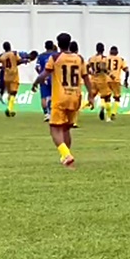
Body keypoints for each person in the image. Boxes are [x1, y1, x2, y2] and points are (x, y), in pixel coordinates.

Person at [32, 33, 95, 168]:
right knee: (66, 129)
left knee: (54, 128)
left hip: (60, 97)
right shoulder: (79, 59)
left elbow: (44, 73)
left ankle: (66, 154)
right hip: (75, 97)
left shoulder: (55, 57)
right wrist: (91, 95)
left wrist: (36, 82)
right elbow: (86, 78)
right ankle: (67, 157)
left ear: (58, 44)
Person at [0, 42, 36, 117]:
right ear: (10, 46)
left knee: (10, 93)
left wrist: (1, 67)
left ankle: (11, 110)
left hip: (6, 76)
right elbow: (19, 61)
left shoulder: (1, 56)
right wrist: (25, 61)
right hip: (14, 75)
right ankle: (9, 108)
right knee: (13, 93)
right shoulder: (14, 53)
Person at [85, 42, 111, 120]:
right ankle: (106, 114)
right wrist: (110, 74)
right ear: (103, 49)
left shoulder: (91, 58)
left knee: (91, 95)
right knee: (106, 97)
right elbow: (103, 68)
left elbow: (86, 67)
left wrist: (90, 73)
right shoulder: (103, 58)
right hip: (102, 80)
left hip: (93, 80)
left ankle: (81, 109)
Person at [105, 46, 130, 121]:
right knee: (117, 98)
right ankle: (113, 112)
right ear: (117, 52)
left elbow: (102, 68)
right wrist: (126, 80)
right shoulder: (121, 59)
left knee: (107, 98)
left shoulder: (106, 59)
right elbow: (127, 70)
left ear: (110, 52)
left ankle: (108, 116)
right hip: (116, 80)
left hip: (107, 80)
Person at [35, 40, 57, 122]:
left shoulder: (41, 56)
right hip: (54, 78)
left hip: (44, 78)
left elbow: (37, 67)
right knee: (55, 95)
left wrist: (41, 74)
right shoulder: (56, 55)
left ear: (45, 47)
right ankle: (54, 112)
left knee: (44, 96)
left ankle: (46, 114)